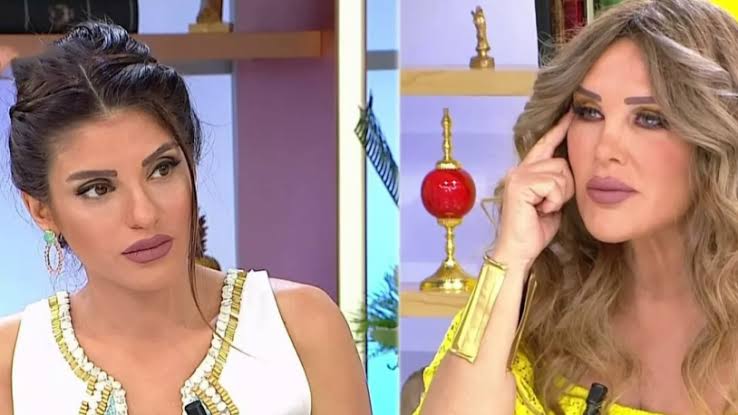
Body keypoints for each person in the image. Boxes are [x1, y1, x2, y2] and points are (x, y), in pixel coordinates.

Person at [0, 21, 371, 415]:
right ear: (42, 211)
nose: (144, 214)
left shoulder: (302, 328)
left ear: (191, 163)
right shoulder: (11, 365)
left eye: (162, 169)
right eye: (98, 189)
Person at [415, 0, 738, 414]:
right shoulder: (534, 314)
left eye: (649, 118)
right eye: (589, 112)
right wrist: (510, 257)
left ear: (715, 139)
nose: (605, 149)